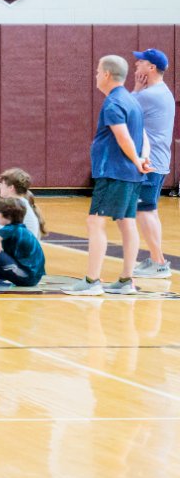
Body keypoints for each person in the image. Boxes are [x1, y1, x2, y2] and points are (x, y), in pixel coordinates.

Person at [74, 54, 150, 296]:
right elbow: (142, 136)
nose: (96, 75)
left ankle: (91, 281)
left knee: (95, 221)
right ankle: (126, 280)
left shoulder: (113, 103)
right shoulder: (131, 100)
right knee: (127, 222)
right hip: (130, 174)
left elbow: (123, 136)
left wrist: (137, 159)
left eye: (98, 71)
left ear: (106, 74)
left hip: (114, 172)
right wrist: (142, 159)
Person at [132, 48, 173, 282]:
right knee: (149, 211)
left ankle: (159, 263)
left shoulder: (150, 95)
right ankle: (156, 259)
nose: (136, 66)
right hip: (156, 162)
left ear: (152, 68)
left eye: (141, 63)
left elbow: (124, 107)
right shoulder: (160, 91)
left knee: (145, 211)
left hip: (150, 164)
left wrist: (137, 89)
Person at [0, 197, 46, 290]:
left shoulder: (11, 229)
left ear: (7, 216)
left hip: (27, 277)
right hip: (32, 276)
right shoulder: (19, 228)